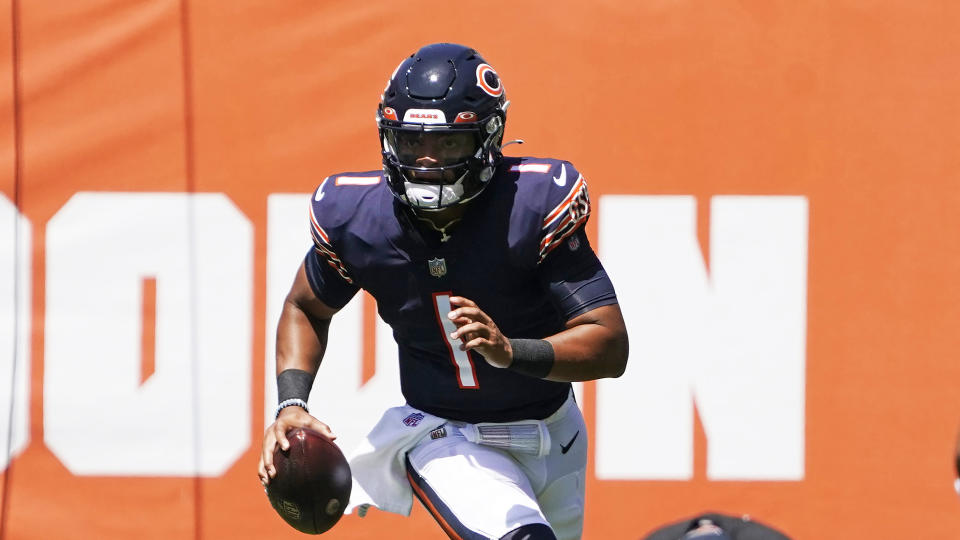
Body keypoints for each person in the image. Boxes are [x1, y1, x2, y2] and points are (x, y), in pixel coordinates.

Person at [257, 42, 629, 540]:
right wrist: (291, 403)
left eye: (448, 144)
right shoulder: (358, 217)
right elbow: (305, 306)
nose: (426, 160)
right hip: (446, 433)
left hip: (555, 434)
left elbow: (608, 345)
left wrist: (508, 351)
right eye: (411, 141)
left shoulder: (531, 204)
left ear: (487, 138)